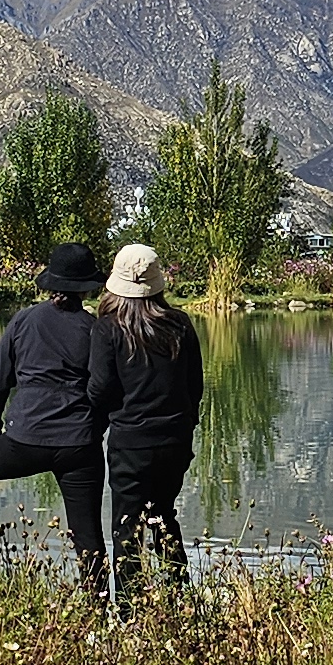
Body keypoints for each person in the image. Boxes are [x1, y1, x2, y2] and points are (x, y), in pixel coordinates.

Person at [0, 243, 116, 581]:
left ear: (51, 282)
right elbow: (104, 389)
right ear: (86, 287)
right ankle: (98, 604)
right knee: (88, 534)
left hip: (25, 438)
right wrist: (93, 429)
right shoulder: (95, 328)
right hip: (79, 444)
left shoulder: (25, 320)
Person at [92, 242, 203, 604]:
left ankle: (129, 612)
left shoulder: (109, 328)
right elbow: (195, 385)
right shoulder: (180, 324)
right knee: (164, 517)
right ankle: (179, 600)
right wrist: (186, 424)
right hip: (175, 440)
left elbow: (99, 390)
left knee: (127, 528)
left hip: (131, 443)